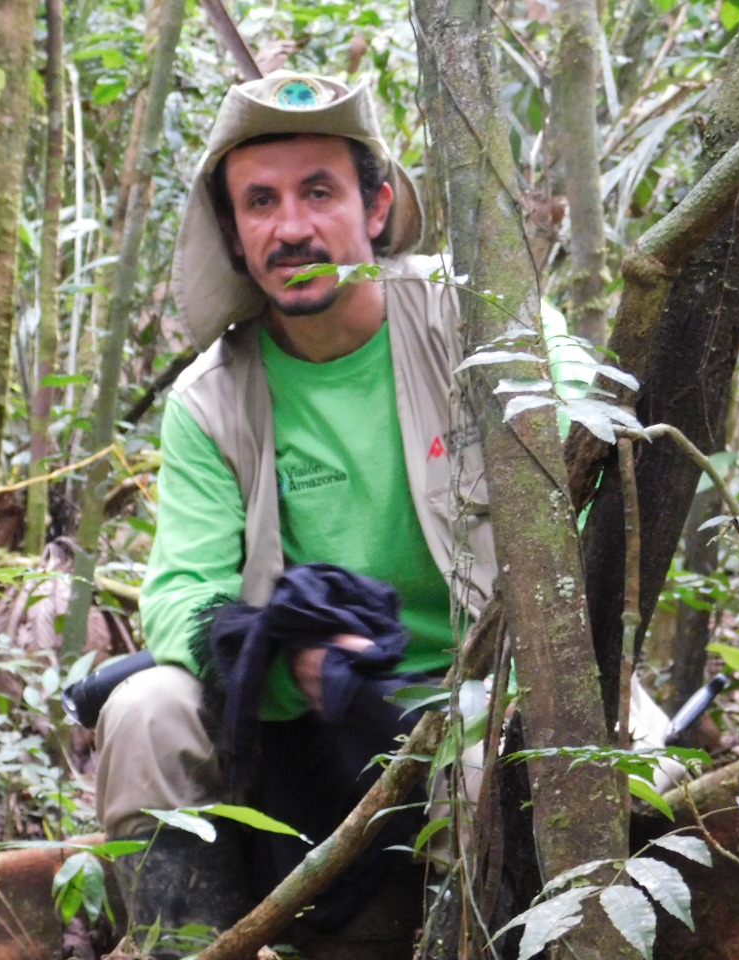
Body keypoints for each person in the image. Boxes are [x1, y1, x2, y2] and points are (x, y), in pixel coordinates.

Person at [93, 70, 497, 952]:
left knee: (483, 764)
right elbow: (174, 600)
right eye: (261, 202)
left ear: (377, 206)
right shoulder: (211, 400)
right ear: (235, 236)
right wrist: (294, 655)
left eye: (320, 192)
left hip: (478, 705)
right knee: (144, 709)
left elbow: (578, 514)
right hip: (295, 738)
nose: (293, 228)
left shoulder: (474, 327)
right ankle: (185, 945)